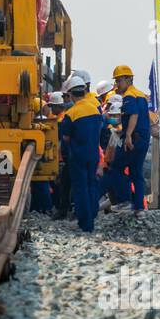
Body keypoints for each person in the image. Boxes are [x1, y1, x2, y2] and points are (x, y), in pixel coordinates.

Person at [59, 76, 103, 232]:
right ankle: (92, 215)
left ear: (70, 95)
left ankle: (85, 224)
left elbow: (65, 138)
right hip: (93, 155)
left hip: (77, 156)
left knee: (80, 188)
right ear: (84, 91)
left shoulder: (71, 114)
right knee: (92, 184)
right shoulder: (96, 109)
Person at [112, 65, 151, 212]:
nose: (117, 84)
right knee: (136, 172)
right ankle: (139, 207)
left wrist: (128, 135)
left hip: (133, 138)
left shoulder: (129, 96)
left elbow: (133, 115)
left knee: (116, 167)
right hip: (143, 139)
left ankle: (125, 201)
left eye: (119, 80)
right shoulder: (141, 95)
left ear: (128, 79)